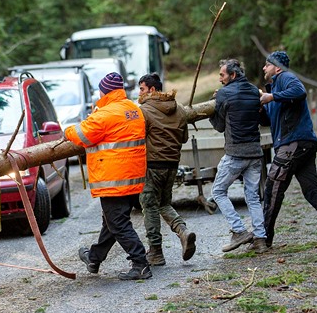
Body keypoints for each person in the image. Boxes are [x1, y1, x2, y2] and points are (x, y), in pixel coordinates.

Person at [65, 72, 152, 280]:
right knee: (112, 222)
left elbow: (80, 135)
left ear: (104, 91)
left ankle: (140, 264)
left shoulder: (105, 115)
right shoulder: (133, 109)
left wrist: (66, 130)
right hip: (133, 177)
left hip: (114, 179)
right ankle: (94, 259)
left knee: (118, 223)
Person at [260, 51, 317, 247]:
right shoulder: (275, 89)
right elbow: (268, 120)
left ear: (276, 67)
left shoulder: (285, 77)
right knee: (312, 189)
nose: (263, 68)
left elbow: (299, 92)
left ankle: (263, 239)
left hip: (294, 143)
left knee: (272, 188)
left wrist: (272, 96)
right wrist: (261, 106)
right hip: (302, 144)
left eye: (266, 65)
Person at [209, 59, 268, 254]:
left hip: (235, 153)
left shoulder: (224, 93)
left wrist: (215, 106)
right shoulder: (254, 90)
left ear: (232, 75)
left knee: (218, 191)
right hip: (255, 152)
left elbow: (218, 126)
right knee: (252, 197)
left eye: (222, 75)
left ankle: (238, 230)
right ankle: (260, 240)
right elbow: (263, 118)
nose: (220, 79)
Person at [137, 73, 196, 264]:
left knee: (150, 207)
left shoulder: (144, 110)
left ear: (152, 90)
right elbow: (184, 138)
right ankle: (183, 231)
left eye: (142, 89)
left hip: (152, 165)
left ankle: (155, 252)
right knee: (163, 204)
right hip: (172, 164)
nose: (140, 93)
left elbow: (138, 138)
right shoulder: (179, 109)